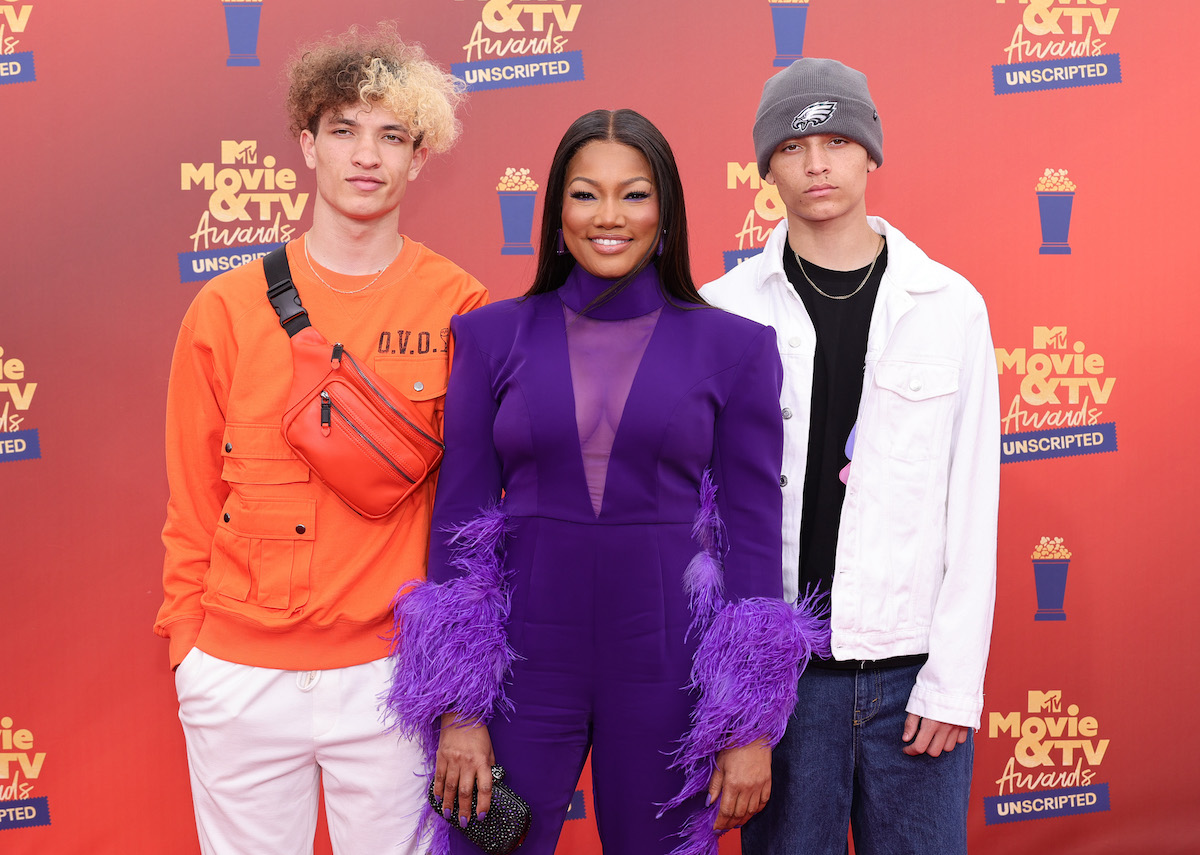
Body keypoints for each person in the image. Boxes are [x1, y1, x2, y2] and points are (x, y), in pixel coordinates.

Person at [386, 109, 828, 855]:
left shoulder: (738, 348)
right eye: (586, 194)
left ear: (666, 212)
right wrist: (459, 710)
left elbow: (752, 538)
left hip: (669, 681)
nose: (610, 217)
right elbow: (459, 525)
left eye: (635, 194)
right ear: (557, 210)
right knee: (490, 847)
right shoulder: (489, 339)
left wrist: (748, 722)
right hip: (516, 685)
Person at [154, 24, 487, 855]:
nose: (366, 155)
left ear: (419, 158)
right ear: (307, 145)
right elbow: (193, 501)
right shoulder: (224, 310)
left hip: (389, 678)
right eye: (343, 130)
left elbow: (478, 516)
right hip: (235, 675)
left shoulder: (462, 305)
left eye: (392, 136)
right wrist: (189, 648)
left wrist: (454, 687)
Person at [702, 58, 1000, 854]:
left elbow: (972, 508)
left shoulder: (950, 307)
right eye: (795, 145)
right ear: (767, 165)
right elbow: (705, 527)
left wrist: (954, 685)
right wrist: (737, 698)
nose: (817, 163)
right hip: (783, 686)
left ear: (870, 153)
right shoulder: (721, 311)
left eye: (838, 140)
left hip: (914, 680)